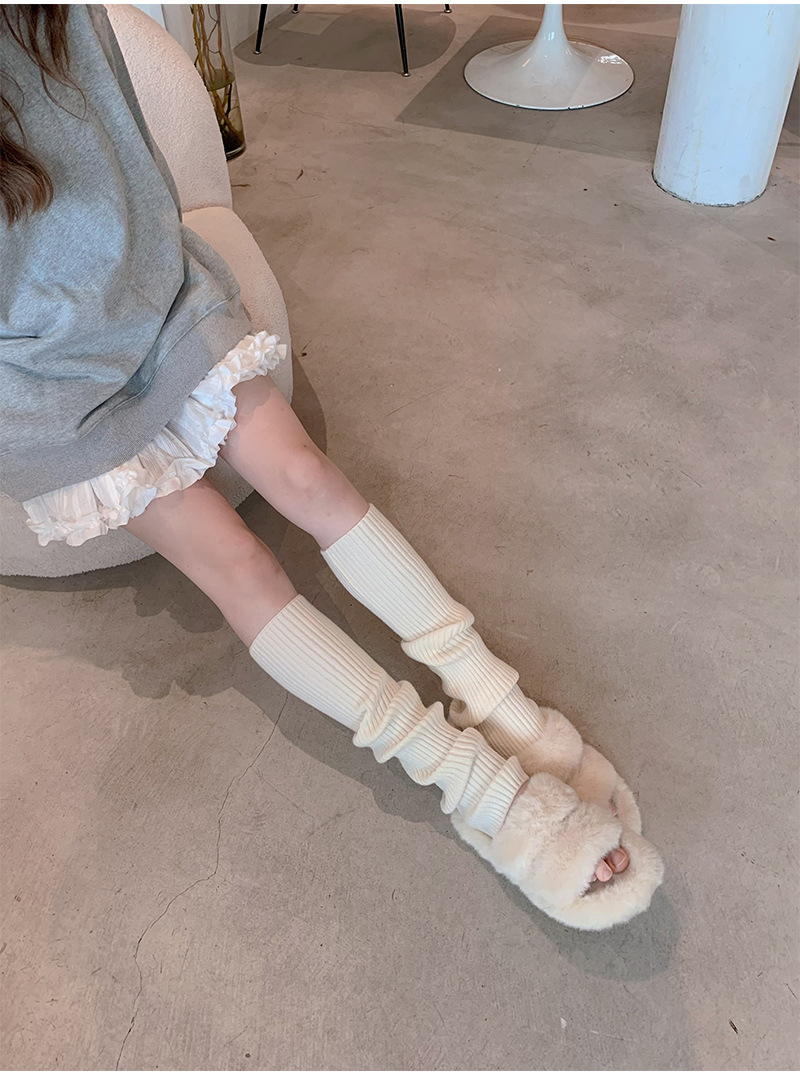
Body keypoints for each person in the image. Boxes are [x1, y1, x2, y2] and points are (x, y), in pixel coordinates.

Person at [0, 4, 663, 930]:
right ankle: (464, 775)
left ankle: (491, 693)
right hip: (37, 380)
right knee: (244, 567)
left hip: (148, 292)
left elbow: (126, 149)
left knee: (308, 478)